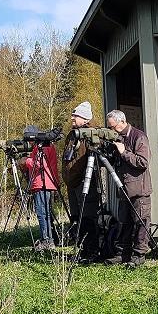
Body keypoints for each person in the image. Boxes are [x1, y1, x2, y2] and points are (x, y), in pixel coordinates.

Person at [104, 110, 152, 268]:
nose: (111, 130)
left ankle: (139, 255)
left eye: (113, 127)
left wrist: (124, 152)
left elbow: (143, 162)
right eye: (109, 127)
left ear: (122, 122)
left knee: (141, 222)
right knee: (124, 223)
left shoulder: (138, 136)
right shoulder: (116, 137)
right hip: (124, 188)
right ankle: (122, 254)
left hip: (139, 189)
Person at [62, 101, 102, 261]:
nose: (72, 117)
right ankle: (82, 249)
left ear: (85, 119)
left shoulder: (91, 134)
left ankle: (91, 251)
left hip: (86, 182)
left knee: (88, 216)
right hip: (72, 182)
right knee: (77, 217)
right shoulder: (72, 135)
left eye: (76, 115)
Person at [20, 125, 60, 251]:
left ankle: (46, 240)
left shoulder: (41, 147)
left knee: (42, 213)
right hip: (47, 182)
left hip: (42, 182)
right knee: (46, 212)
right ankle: (49, 239)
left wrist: (26, 161)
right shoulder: (47, 145)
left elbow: (39, 164)